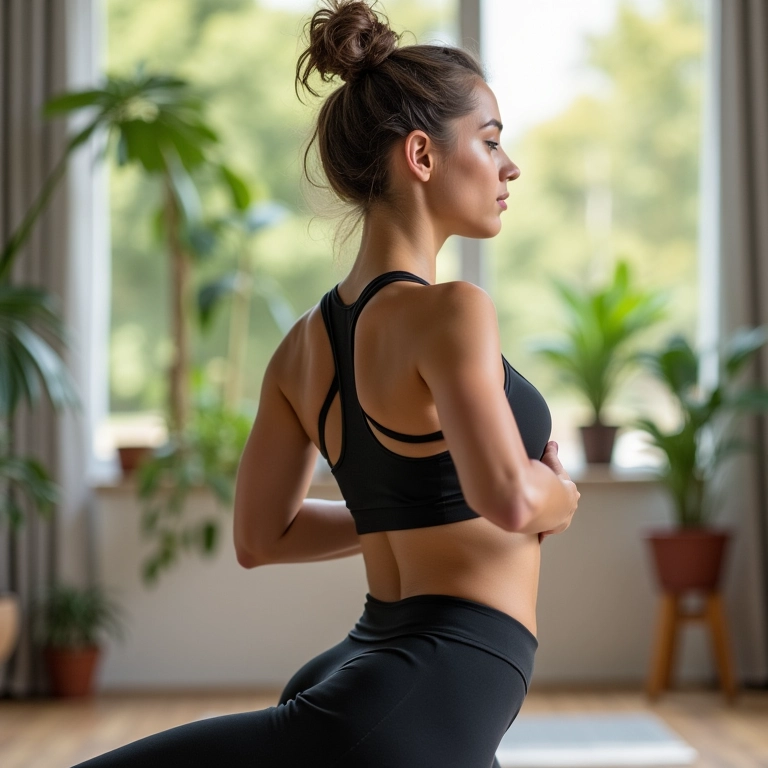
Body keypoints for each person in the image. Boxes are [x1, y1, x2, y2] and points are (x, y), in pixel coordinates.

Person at [72, 1, 580, 766]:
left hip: (380, 671)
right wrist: (559, 496)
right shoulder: (453, 311)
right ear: (421, 155)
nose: (510, 167)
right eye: (490, 140)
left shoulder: (301, 346)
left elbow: (260, 538)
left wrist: (395, 513)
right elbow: (509, 499)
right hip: (432, 686)